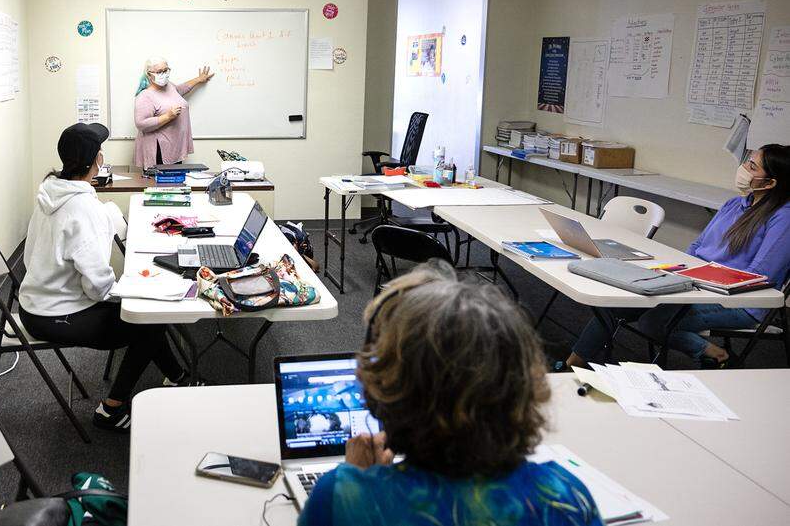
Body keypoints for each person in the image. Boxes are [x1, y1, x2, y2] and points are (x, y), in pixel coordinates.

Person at [299, 261, 601, 526]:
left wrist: (356, 481)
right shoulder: (566, 498)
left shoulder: (341, 499)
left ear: (381, 396)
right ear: (523, 387)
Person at [19, 122, 193, 432]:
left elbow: (28, 255)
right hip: (55, 314)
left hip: (33, 303)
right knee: (147, 320)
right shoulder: (84, 209)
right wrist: (133, 288)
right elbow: (98, 288)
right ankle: (112, 409)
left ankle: (179, 378)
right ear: (95, 161)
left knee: (146, 314)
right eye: (100, 150)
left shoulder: (50, 193)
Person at [564, 143, 790, 369]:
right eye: (747, 161)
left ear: (771, 183)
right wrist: (676, 273)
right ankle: (573, 364)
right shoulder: (735, 204)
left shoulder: (783, 218)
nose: (743, 169)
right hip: (696, 283)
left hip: (737, 302)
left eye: (752, 166)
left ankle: (714, 353)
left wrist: (698, 281)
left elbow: (760, 275)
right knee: (616, 304)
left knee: (654, 322)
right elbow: (699, 245)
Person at [132, 56, 214, 168]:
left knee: (174, 184)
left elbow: (180, 89)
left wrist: (198, 79)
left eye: (166, 70)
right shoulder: (145, 96)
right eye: (160, 71)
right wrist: (167, 116)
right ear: (149, 74)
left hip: (173, 147)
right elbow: (141, 124)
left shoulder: (169, 86)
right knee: (159, 184)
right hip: (159, 150)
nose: (164, 74)